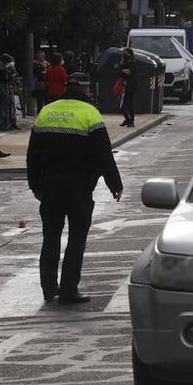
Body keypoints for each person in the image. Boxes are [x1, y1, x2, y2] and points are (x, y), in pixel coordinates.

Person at [26, 71, 124, 304]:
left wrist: (35, 186)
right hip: (79, 186)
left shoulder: (46, 111)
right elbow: (103, 155)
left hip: (50, 186)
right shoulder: (90, 113)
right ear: (86, 89)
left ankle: (49, 289)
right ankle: (69, 289)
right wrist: (115, 184)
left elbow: (33, 155)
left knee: (50, 237)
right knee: (77, 237)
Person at [116, 47, 136, 127]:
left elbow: (128, 72)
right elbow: (119, 71)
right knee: (122, 104)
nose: (124, 54)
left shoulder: (131, 63)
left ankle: (130, 120)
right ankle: (128, 119)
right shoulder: (123, 62)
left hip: (129, 86)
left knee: (128, 104)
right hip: (124, 85)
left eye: (126, 53)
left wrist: (122, 71)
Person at [31, 49, 48, 116]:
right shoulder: (35, 63)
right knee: (39, 99)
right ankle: (39, 113)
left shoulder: (47, 63)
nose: (41, 57)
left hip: (46, 83)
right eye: (40, 55)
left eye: (43, 55)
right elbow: (34, 74)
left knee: (45, 98)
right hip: (39, 83)